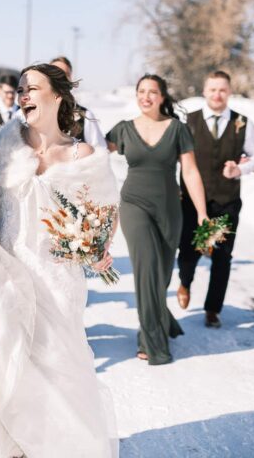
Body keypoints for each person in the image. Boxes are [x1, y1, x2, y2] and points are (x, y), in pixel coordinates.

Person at [0, 63, 119, 458]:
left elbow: (106, 212)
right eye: (21, 89)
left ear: (58, 96)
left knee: (57, 366)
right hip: (9, 270)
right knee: (9, 361)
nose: (24, 95)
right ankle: (11, 447)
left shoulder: (84, 154)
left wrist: (99, 247)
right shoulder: (3, 142)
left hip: (59, 277)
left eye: (33, 88)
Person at [106, 74, 208, 365]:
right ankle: (153, 343)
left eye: (152, 92)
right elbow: (93, 156)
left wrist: (201, 212)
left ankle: (160, 319)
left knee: (161, 276)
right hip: (134, 205)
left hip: (169, 209)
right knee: (147, 269)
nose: (146, 96)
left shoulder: (177, 129)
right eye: (141, 91)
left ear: (162, 97)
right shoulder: (123, 129)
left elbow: (190, 171)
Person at [176, 71, 254, 328]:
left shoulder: (242, 123)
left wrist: (240, 169)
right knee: (188, 251)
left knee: (222, 256)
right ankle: (185, 282)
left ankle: (213, 309)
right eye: (213, 89)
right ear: (204, 91)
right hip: (191, 202)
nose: (217, 94)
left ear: (229, 92)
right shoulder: (188, 121)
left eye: (222, 90)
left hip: (226, 201)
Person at [51, 55, 107, 148]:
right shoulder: (34, 113)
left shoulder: (85, 116)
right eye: (55, 72)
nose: (60, 77)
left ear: (70, 80)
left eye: (65, 74)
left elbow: (100, 152)